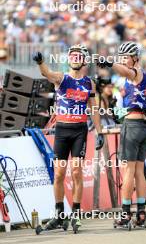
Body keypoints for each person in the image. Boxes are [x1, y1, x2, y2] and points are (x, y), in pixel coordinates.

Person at [33, 44, 104, 230]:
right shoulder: (62, 78)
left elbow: (94, 108)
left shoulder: (89, 83)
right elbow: (47, 73)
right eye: (71, 55)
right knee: (58, 174)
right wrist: (41, 62)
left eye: (77, 56)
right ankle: (58, 215)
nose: (73, 58)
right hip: (62, 130)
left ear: (84, 61)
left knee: (76, 172)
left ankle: (76, 214)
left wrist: (100, 131)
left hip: (80, 131)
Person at [97, 41, 146, 226]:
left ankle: (126, 214)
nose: (123, 61)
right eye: (121, 58)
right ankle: (141, 214)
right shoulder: (143, 76)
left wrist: (110, 63)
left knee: (128, 171)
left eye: (125, 58)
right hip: (144, 128)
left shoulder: (135, 73)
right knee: (138, 171)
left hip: (133, 126)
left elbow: (126, 72)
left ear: (135, 58)